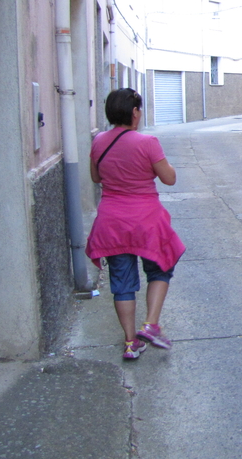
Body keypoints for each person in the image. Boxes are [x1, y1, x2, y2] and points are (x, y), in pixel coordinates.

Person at [86, 88, 185, 360]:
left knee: (122, 282)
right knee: (160, 268)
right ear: (134, 112)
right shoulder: (147, 142)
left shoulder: (98, 142)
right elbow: (169, 179)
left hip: (112, 222)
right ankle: (151, 324)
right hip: (146, 220)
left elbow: (96, 177)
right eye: (139, 110)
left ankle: (130, 343)